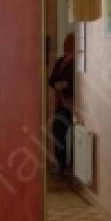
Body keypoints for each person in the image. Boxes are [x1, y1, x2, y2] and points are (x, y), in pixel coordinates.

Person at [48, 33, 75, 176]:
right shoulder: (61, 61)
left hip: (75, 106)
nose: (66, 46)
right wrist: (57, 84)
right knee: (57, 131)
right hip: (62, 104)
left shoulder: (78, 61)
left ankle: (74, 168)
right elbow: (51, 80)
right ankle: (61, 165)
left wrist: (66, 85)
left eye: (68, 43)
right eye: (66, 43)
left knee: (77, 135)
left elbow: (78, 83)